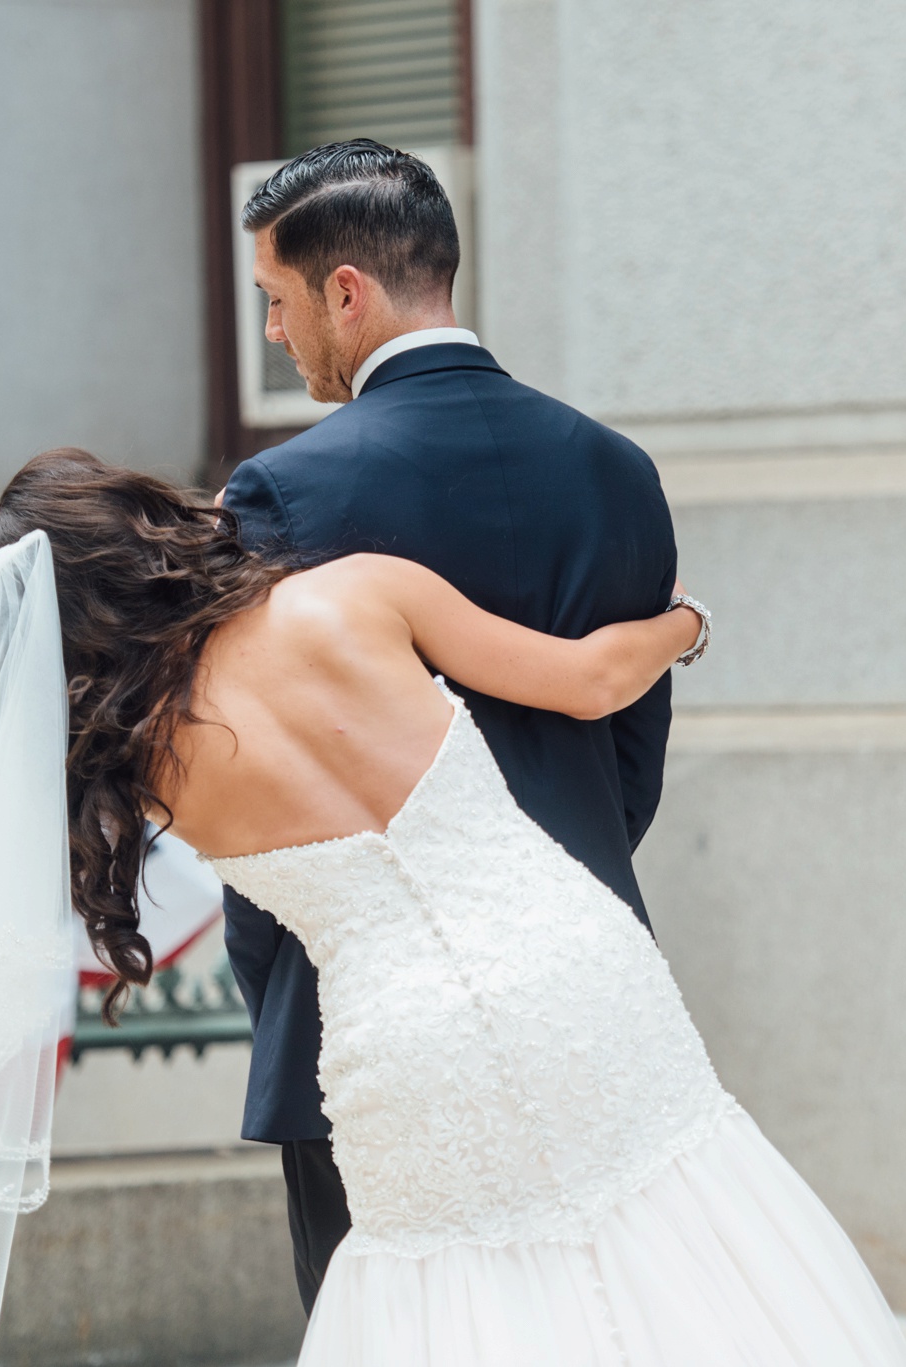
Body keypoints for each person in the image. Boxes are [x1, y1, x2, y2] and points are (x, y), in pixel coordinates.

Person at [0, 451, 906, 1367]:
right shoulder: (359, 594)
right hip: (570, 963)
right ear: (147, 522)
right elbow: (597, 676)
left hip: (397, 1045)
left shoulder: (141, 762)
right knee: (685, 1229)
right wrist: (689, 625)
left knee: (456, 1303)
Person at [215, 138, 681, 1312]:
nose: (275, 333)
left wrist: (277, 985)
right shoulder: (616, 469)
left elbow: (257, 783)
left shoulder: (281, 493)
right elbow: (630, 769)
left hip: (363, 1015)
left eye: (276, 301)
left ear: (344, 292)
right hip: (592, 984)